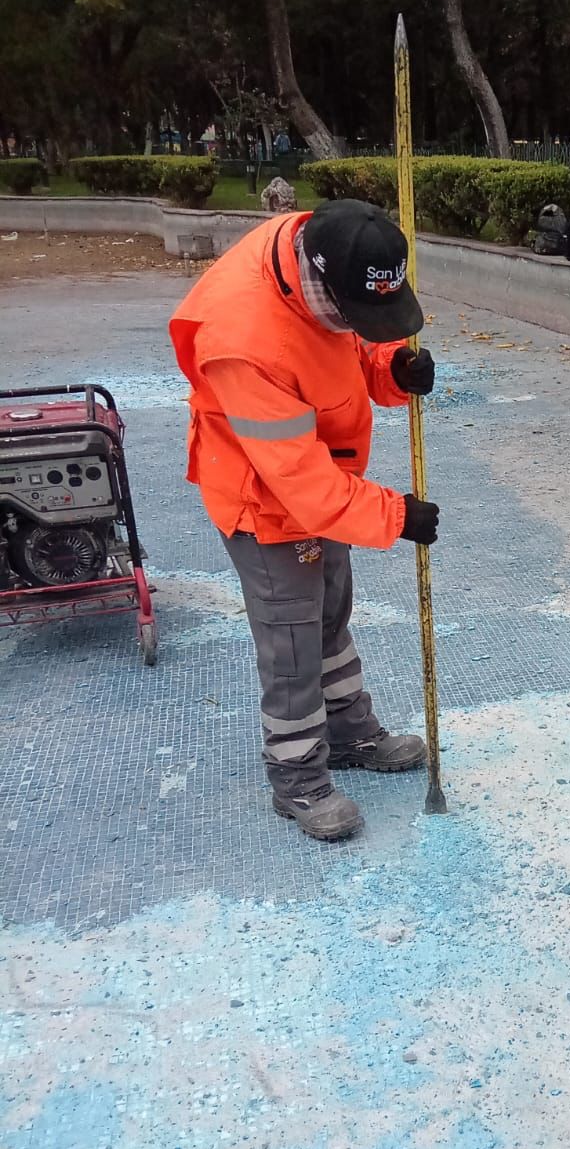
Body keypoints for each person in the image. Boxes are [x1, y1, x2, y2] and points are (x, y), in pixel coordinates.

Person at [169, 199, 440, 842]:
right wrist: (395, 515)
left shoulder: (325, 246)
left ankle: (347, 734)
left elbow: (345, 346)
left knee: (329, 615)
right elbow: (301, 485)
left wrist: (391, 367)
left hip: (323, 477)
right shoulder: (243, 341)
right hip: (264, 500)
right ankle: (297, 778)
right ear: (327, 289)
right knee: (292, 643)